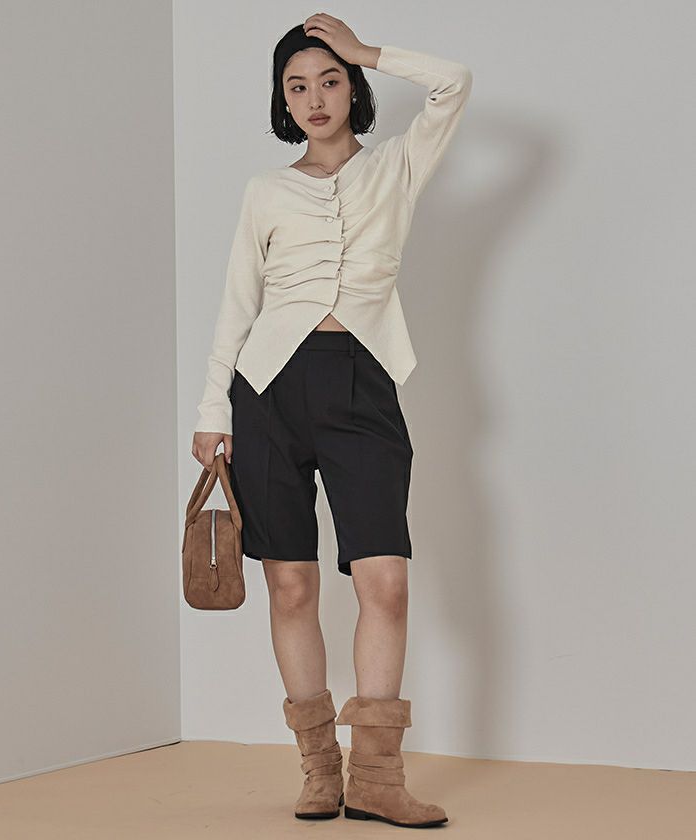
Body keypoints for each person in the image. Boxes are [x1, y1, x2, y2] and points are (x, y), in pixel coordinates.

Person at [191, 13, 473, 828]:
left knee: (385, 582)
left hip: (364, 386)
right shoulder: (265, 191)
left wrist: (363, 48)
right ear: (282, 102)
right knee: (291, 585)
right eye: (297, 86)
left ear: (353, 88)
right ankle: (321, 771)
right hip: (268, 390)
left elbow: (454, 82)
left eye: (330, 79)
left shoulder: (397, 168)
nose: (314, 98)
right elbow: (237, 301)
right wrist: (212, 409)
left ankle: (378, 779)